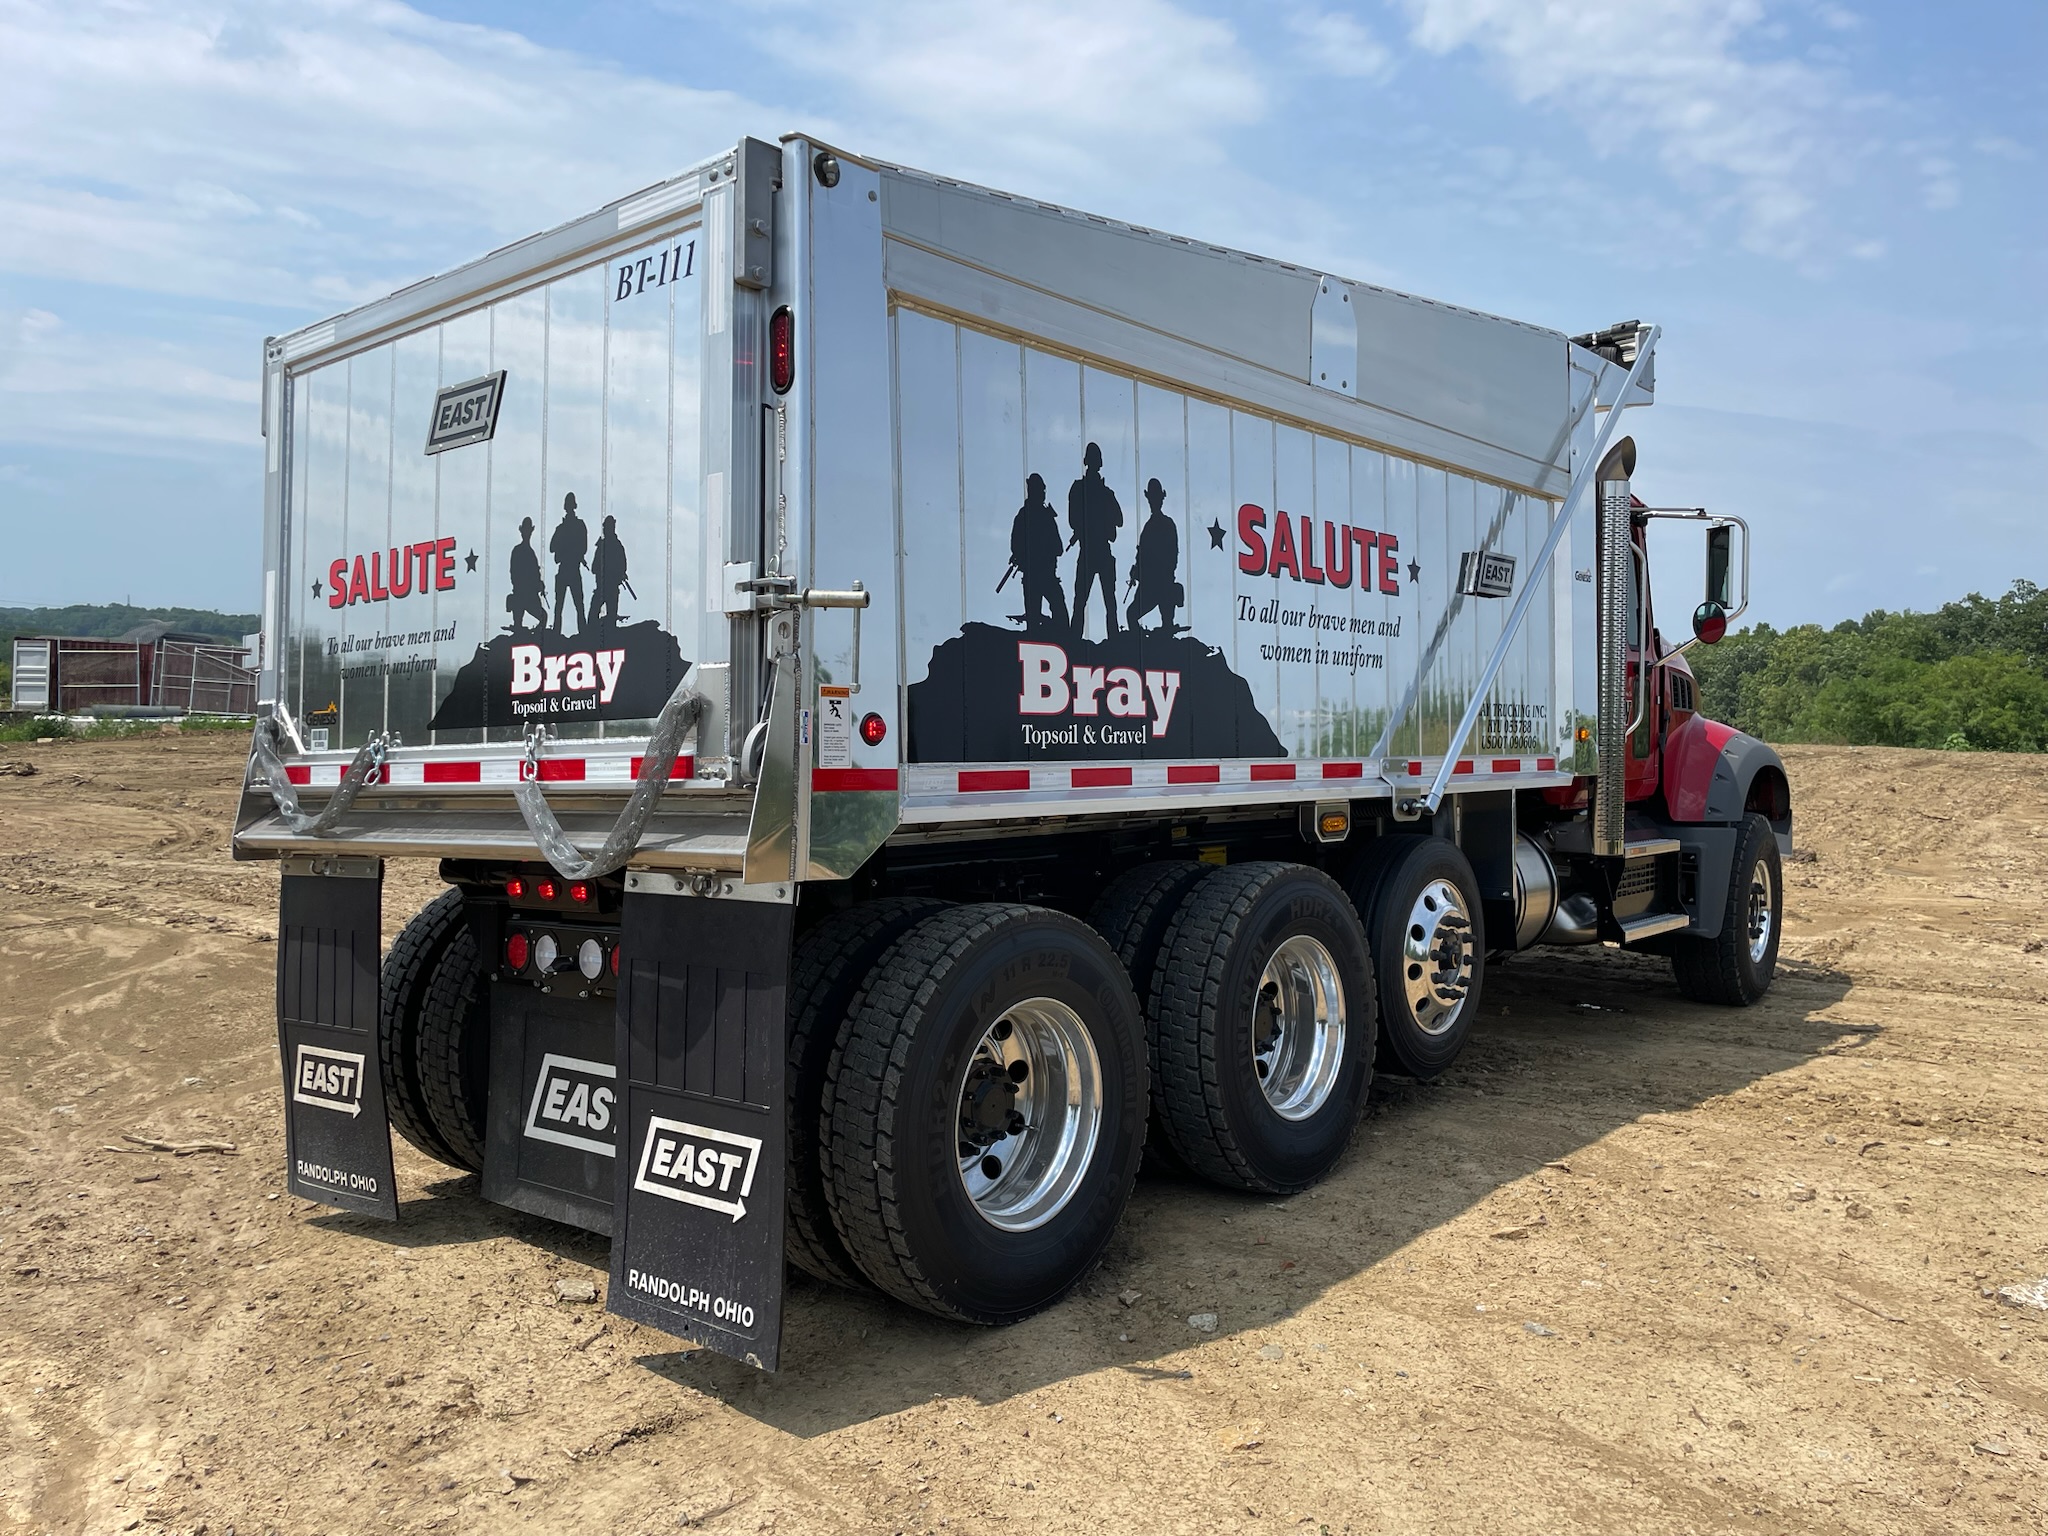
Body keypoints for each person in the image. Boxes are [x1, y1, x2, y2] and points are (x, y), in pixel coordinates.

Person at [1066, 441, 1122, 639]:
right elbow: (1073, 520)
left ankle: (1107, 639)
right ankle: (1078, 639)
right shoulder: (1086, 490)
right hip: (1092, 550)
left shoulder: (1103, 493)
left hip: (1096, 551)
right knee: (1085, 600)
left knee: (1106, 601)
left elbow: (1119, 519)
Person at [1008, 472, 1069, 634]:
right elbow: (1016, 546)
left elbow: (1058, 548)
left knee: (1054, 614)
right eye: (1040, 490)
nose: (1042, 493)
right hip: (1037, 576)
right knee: (1038, 619)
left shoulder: (1033, 516)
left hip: (1043, 575)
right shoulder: (1027, 516)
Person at [1125, 477, 1183, 633]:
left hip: (1159, 584)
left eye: (1155, 498)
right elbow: (1142, 556)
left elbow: (1171, 557)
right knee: (1132, 614)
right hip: (1152, 585)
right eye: (1152, 498)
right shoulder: (1151, 526)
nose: (1153, 502)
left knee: (1134, 615)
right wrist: (1137, 571)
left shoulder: (1164, 525)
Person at [550, 492, 588, 635]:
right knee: (562, 605)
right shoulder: (563, 528)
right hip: (567, 569)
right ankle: (558, 633)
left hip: (570, 568)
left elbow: (583, 548)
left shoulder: (573, 526)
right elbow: (552, 547)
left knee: (576, 604)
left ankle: (581, 633)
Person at [506, 516, 548, 633]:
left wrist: (539, 584)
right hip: (521, 594)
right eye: (525, 530)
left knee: (543, 617)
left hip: (531, 596)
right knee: (518, 624)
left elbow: (535, 574)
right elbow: (514, 573)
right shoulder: (518, 550)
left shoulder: (531, 553)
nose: (527, 533)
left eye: (528, 530)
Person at [590, 514, 629, 629]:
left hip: (609, 588)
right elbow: (594, 568)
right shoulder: (612, 546)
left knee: (606, 617)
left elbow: (622, 567)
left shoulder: (615, 546)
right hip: (604, 588)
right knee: (595, 617)